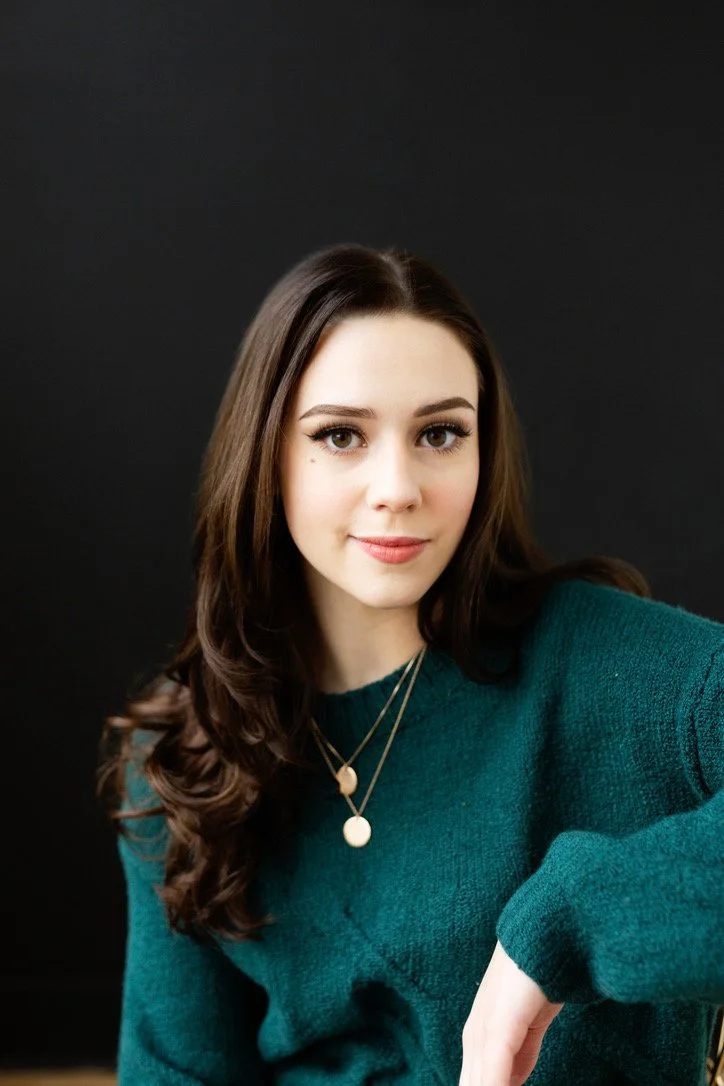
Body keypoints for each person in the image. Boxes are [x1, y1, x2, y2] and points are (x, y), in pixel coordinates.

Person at [98, 242, 724, 1086]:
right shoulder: (184, 749)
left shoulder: (617, 669)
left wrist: (568, 926)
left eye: (439, 433)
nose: (397, 486)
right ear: (266, 455)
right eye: (340, 435)